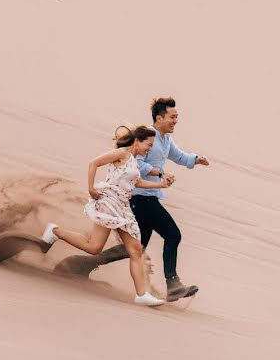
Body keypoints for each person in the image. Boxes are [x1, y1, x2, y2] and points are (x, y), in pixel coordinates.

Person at [41, 125, 173, 307]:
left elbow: (137, 182)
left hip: (123, 207)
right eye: (148, 145)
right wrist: (91, 188)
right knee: (94, 247)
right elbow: (93, 163)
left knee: (135, 249)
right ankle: (56, 231)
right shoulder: (122, 153)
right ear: (137, 141)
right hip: (109, 203)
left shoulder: (134, 160)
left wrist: (161, 185)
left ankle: (141, 295)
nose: (149, 149)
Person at [130, 97, 209, 302]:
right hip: (141, 198)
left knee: (136, 248)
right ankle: (173, 284)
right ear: (159, 118)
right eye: (172, 117)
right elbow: (136, 163)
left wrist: (195, 160)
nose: (175, 121)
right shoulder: (148, 136)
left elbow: (179, 156)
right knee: (173, 235)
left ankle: (83, 262)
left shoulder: (165, 139)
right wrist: (159, 173)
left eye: (177, 117)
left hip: (148, 199)